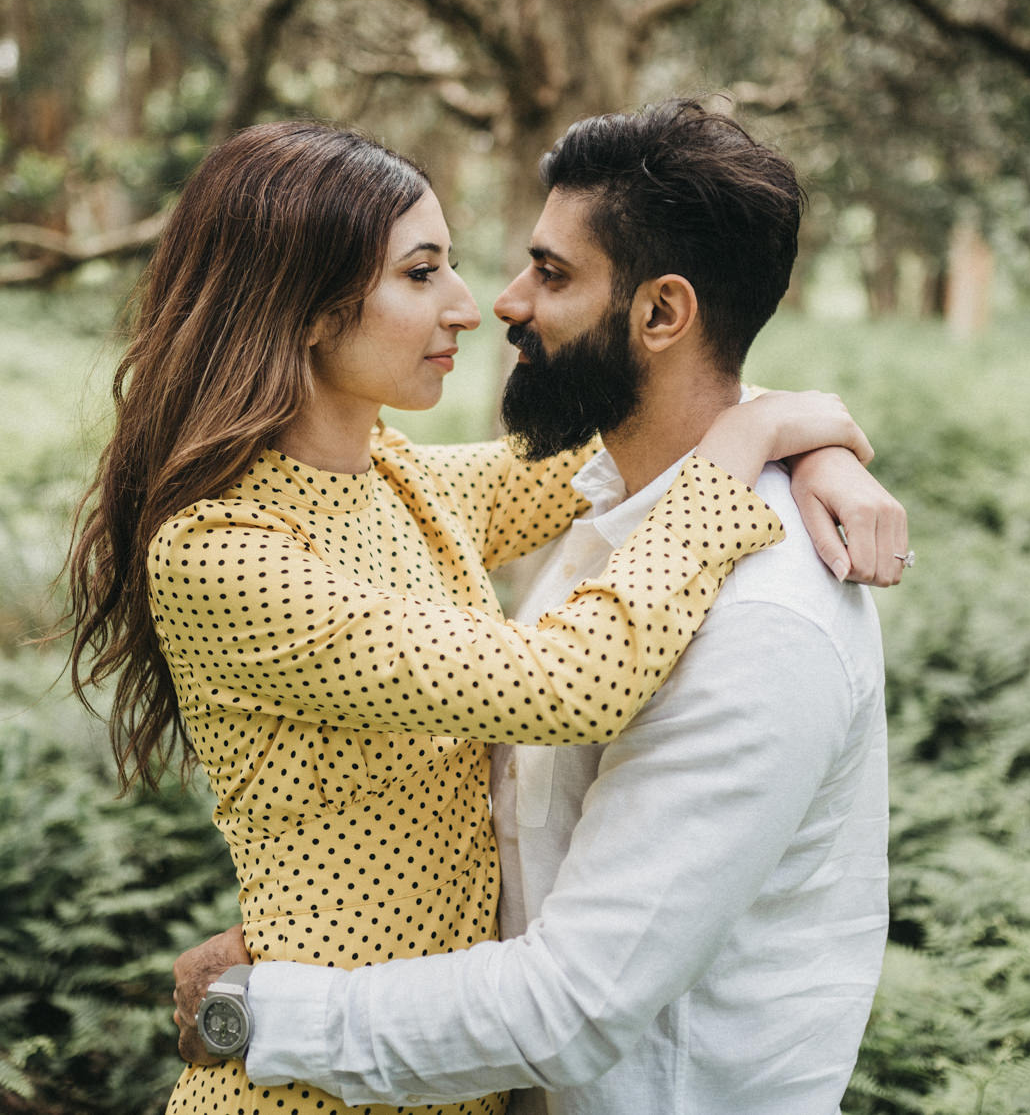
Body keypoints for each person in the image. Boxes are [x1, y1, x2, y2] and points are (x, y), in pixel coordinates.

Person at [63, 118, 906, 1115]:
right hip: (314, 1096)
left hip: (432, 1077)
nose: (475, 305)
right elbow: (570, 679)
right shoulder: (227, 551)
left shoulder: (401, 480)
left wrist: (806, 437)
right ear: (300, 308)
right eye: (422, 274)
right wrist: (762, 431)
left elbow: (636, 427)